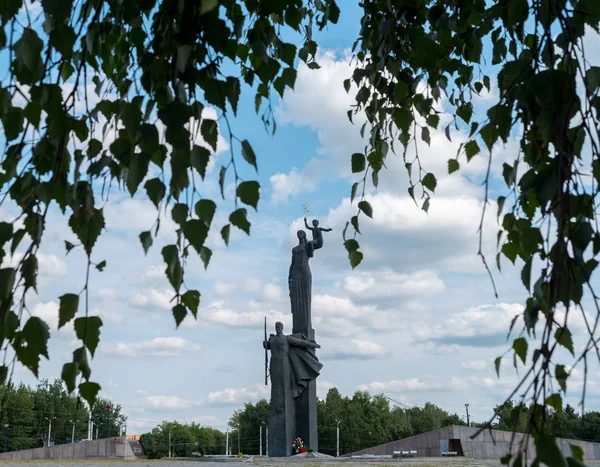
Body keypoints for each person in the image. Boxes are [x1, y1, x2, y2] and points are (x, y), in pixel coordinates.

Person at [263, 322, 322, 456]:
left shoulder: (287, 339)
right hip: (274, 363)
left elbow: (301, 343)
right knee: (276, 389)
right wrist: (265, 345)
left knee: (284, 388)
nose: (278, 329)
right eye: (276, 327)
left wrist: (313, 345)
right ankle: (277, 407)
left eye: (279, 327)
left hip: (284, 363)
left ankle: (284, 405)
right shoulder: (272, 339)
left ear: (282, 328)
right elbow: (267, 346)